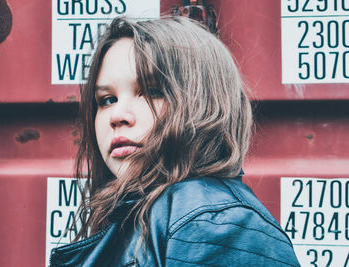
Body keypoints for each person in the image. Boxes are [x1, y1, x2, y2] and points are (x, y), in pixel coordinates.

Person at [50, 16, 300, 266]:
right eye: (107, 100)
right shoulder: (137, 214)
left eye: (153, 92)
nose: (116, 116)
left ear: (204, 102)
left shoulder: (213, 224)